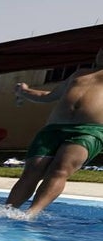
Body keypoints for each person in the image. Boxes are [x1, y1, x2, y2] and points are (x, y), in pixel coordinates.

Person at [7, 47, 103, 217]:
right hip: (53, 129)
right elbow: (49, 95)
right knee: (32, 170)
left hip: (89, 130)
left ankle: (31, 214)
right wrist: (24, 91)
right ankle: (6, 211)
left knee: (60, 169)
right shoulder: (78, 74)